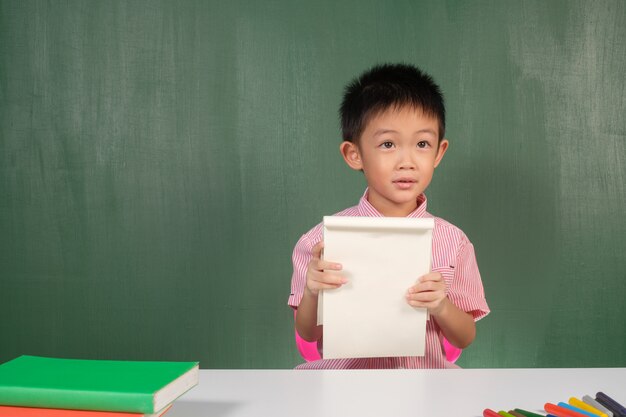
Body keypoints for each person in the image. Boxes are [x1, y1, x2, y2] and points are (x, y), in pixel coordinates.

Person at [288, 63, 489, 369]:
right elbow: (309, 334)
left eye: (422, 144)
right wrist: (313, 291)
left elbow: (464, 337)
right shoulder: (320, 241)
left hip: (425, 387)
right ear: (354, 154)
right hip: (344, 388)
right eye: (388, 144)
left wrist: (441, 305)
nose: (406, 161)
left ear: (439, 152)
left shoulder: (453, 242)